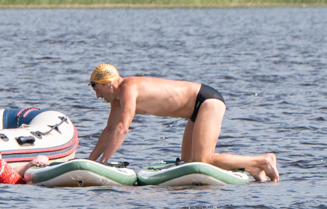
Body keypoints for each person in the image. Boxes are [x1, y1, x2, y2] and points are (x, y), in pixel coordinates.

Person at [86, 63, 279, 182]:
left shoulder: (129, 88)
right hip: (194, 111)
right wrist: (89, 162)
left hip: (206, 101)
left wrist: (104, 163)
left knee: (203, 161)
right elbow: (109, 130)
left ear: (110, 84)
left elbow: (122, 128)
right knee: (190, 163)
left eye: (98, 89)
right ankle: (250, 168)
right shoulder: (116, 101)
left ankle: (264, 160)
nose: (97, 96)